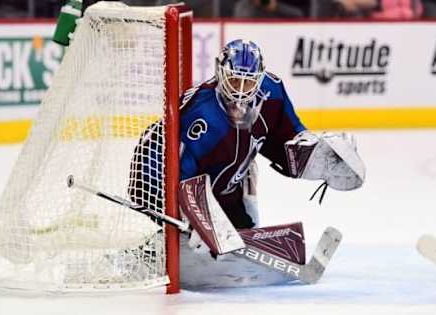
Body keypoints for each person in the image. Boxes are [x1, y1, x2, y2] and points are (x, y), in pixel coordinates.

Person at [128, 39, 365, 288]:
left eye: (249, 81)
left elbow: (289, 137)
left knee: (239, 236)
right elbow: (180, 174)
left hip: (223, 181)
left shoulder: (271, 91)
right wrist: (192, 217)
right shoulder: (202, 115)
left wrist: (317, 152)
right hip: (156, 173)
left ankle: (202, 233)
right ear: (220, 73)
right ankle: (148, 254)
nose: (241, 90)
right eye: (234, 80)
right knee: (194, 237)